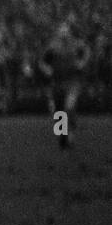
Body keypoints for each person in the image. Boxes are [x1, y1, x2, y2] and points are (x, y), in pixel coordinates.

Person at [37, 22, 90, 150]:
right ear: (58, 33)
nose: (63, 33)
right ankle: (62, 136)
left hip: (72, 82)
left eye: (65, 31)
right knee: (58, 112)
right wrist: (46, 69)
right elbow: (42, 61)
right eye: (61, 31)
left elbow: (87, 52)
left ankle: (70, 133)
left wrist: (81, 63)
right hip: (57, 82)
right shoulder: (53, 46)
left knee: (69, 107)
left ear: (69, 32)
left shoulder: (76, 44)